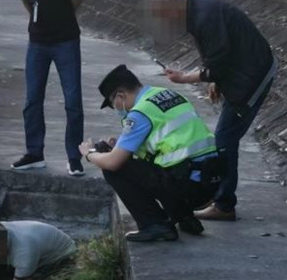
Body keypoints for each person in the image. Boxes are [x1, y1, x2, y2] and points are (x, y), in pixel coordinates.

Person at [145, 0, 277, 221]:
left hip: (254, 74)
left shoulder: (204, 16)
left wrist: (185, 78)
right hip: (242, 69)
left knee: (225, 139)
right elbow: (218, 53)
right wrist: (214, 80)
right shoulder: (196, 8)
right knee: (225, 137)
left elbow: (217, 64)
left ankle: (224, 205)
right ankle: (220, 197)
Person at [80, 64, 222, 242]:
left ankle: (155, 225)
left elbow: (113, 162)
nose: (116, 109)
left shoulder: (139, 113)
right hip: (210, 180)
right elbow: (163, 146)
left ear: (120, 96)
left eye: (112, 104)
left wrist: (90, 154)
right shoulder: (167, 94)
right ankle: (184, 217)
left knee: (111, 166)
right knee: (144, 164)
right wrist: (121, 146)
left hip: (188, 185)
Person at [7, 0, 85, 176]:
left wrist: (57, 17)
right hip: (37, 42)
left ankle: (74, 157)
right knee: (32, 100)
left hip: (66, 41)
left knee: (73, 102)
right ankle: (35, 153)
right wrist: (39, 20)